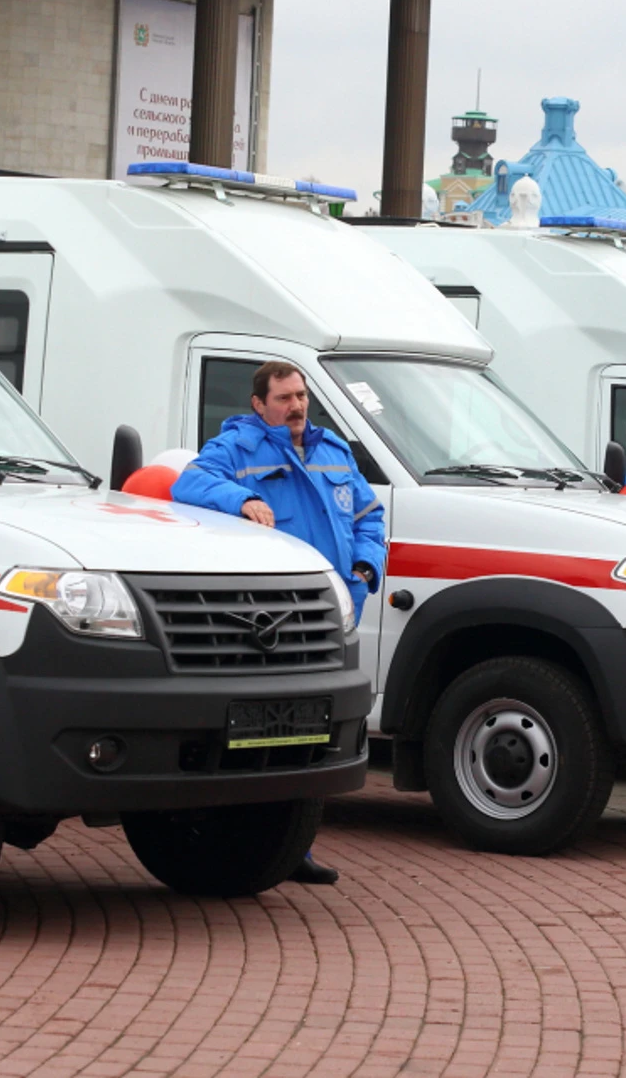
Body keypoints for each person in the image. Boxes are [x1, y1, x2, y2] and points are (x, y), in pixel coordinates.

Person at [172, 360, 385, 884]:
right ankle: (277, 847)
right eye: (285, 397)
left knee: (315, 733)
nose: (296, 405)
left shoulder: (333, 451)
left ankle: (293, 847)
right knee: (271, 734)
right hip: (272, 620)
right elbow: (189, 482)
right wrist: (241, 498)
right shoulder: (238, 448)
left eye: (301, 396)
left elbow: (368, 515)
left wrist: (363, 568)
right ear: (259, 404)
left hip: (331, 612)